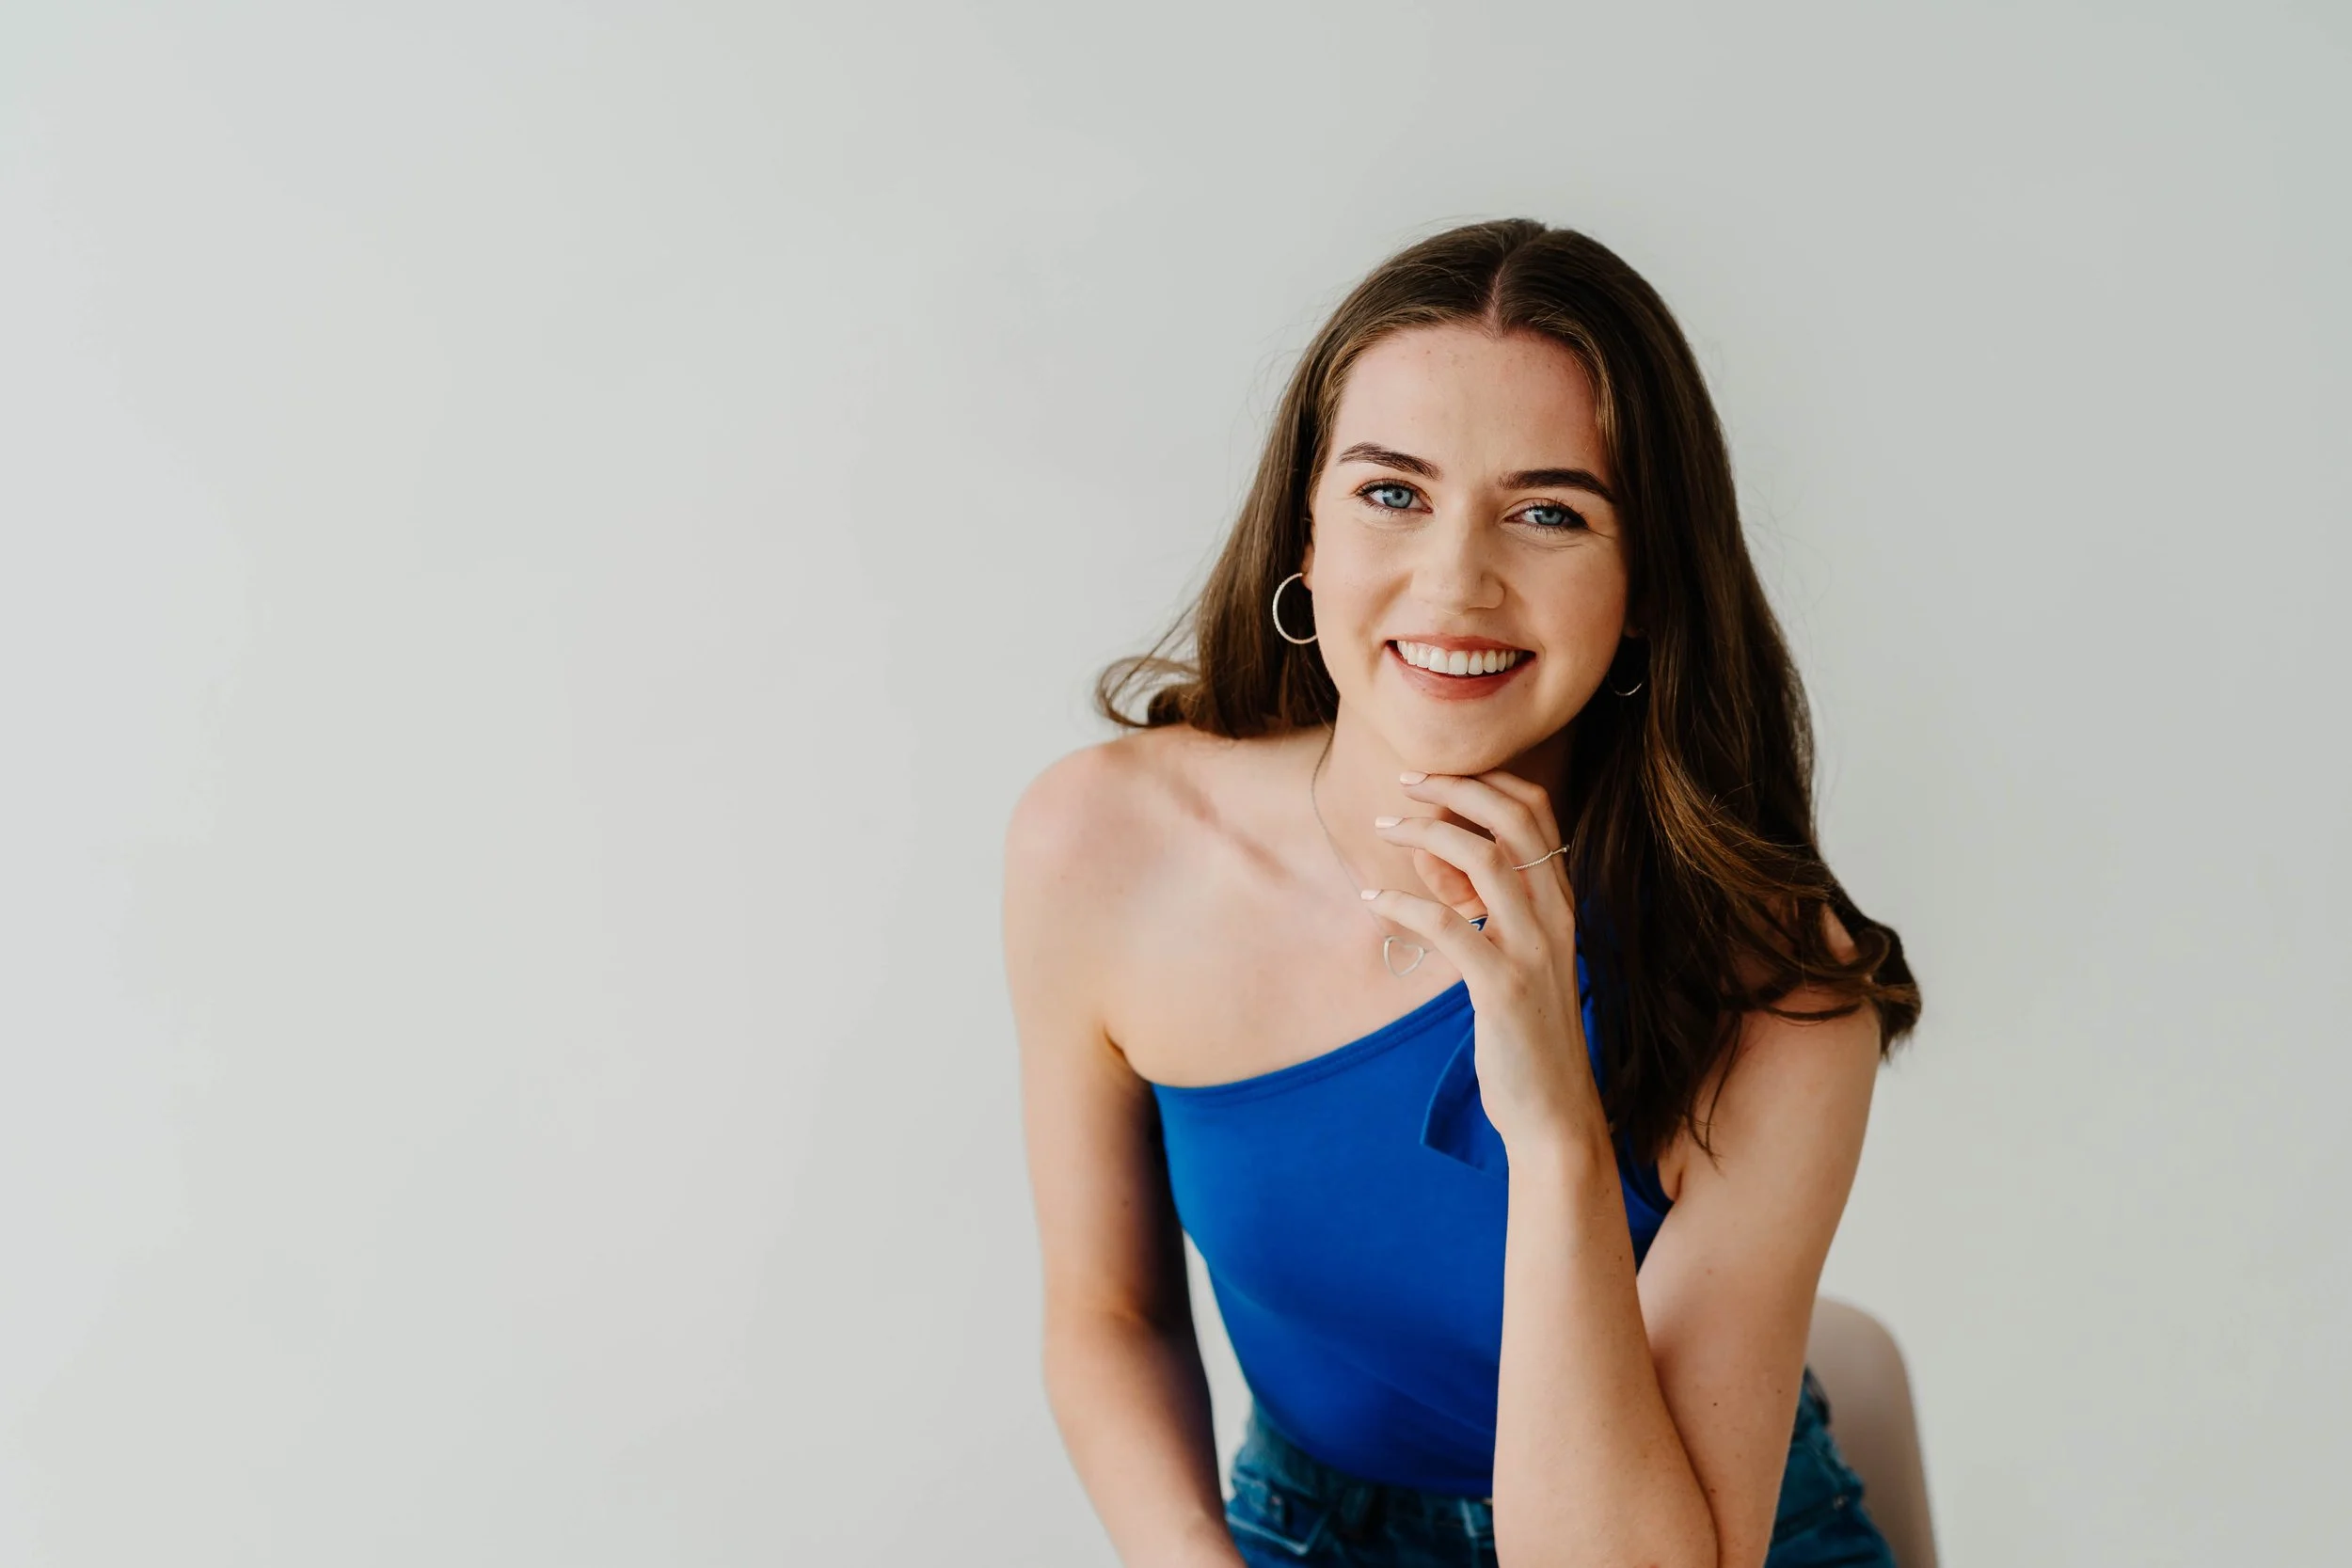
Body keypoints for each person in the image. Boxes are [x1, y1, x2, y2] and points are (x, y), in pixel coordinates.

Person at [1001, 218, 1921, 1568]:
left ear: (1648, 583)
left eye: (1549, 511)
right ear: (1303, 533)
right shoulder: (1101, 846)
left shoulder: (1776, 983)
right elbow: (1107, 1311)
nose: (1455, 580)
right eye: (1392, 492)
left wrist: (1553, 1130)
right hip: (1307, 1529)